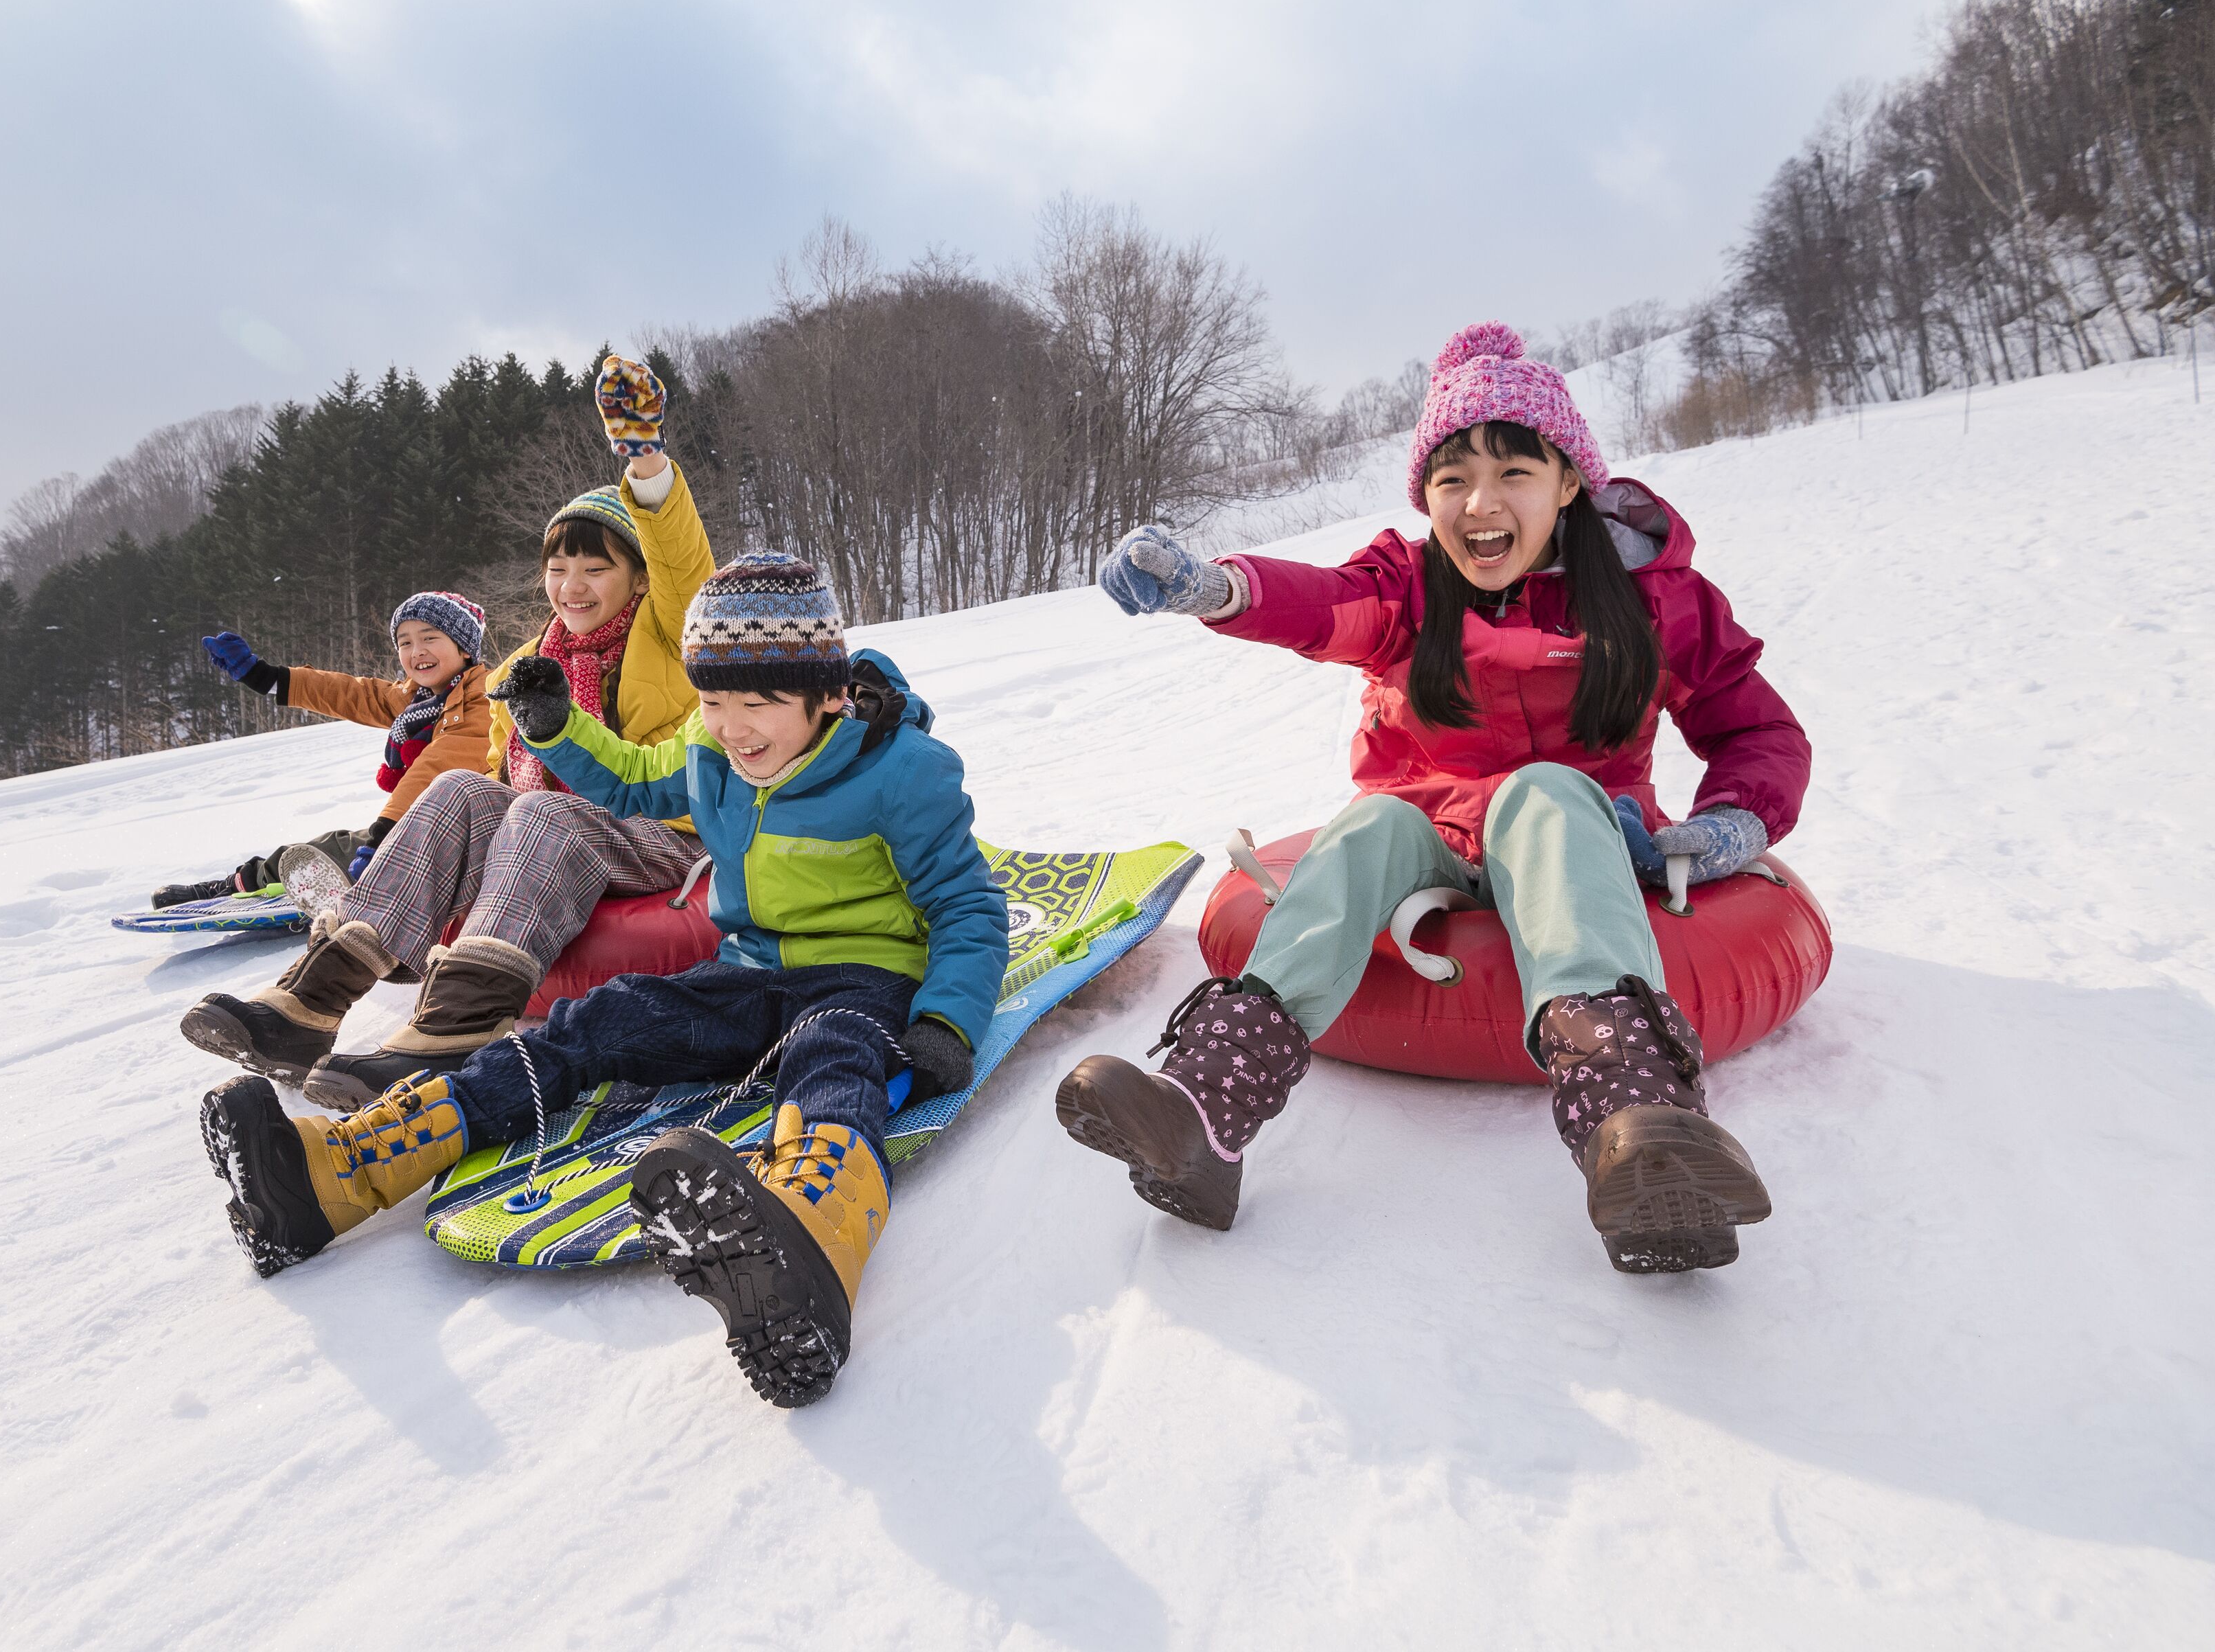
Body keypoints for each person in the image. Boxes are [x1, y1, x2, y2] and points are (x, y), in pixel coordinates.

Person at [1059, 322, 1811, 1274]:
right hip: (1430, 839)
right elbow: (1321, 603)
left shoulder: (1655, 600)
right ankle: (1204, 1112)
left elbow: (1758, 729)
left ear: (1569, 482)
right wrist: (1214, 588)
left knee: (1546, 790)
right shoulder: (1411, 587)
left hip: (1575, 843)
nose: (1479, 504)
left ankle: (1639, 1128)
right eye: (1452, 480)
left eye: (1513, 473)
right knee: (1373, 820)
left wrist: (1734, 820)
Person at [196, 554, 1011, 1407]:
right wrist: (557, 728)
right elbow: (632, 780)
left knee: (835, 1054)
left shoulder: (902, 771)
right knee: (604, 1018)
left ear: (828, 695)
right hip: (748, 975)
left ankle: (809, 1239)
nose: (734, 729)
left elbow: (967, 904)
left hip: (864, 978)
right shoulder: (713, 749)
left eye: (759, 703)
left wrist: (947, 1022)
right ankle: (341, 1172)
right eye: (715, 702)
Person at [178, 355, 715, 1110]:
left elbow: (684, 561)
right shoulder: (525, 667)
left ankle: (454, 1031)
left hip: (665, 831)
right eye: (559, 568)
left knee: (543, 810)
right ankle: (309, 1003)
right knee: (463, 788)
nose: (573, 586)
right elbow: (489, 779)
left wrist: (645, 462)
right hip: (556, 835)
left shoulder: (671, 632)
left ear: (637, 577)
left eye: (596, 569)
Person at [151, 589, 494, 908]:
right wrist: (265, 676)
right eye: (405, 642)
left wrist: (383, 837)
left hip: (476, 837)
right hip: (432, 825)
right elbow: (351, 693)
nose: (417, 651)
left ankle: (320, 886)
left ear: (464, 648)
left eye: (430, 638)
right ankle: (239, 885)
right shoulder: (421, 699)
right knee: (322, 849)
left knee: (334, 853)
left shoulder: (484, 701)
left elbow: (436, 769)